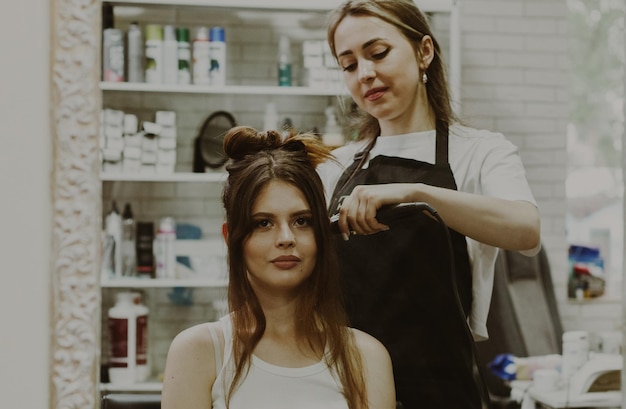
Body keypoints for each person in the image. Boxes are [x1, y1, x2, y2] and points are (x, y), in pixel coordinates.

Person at [317, 1, 542, 408]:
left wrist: (415, 193)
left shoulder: (481, 152)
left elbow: (525, 230)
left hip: (443, 390)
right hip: (347, 388)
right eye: (348, 65)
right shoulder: (335, 168)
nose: (365, 73)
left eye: (378, 53)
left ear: (424, 51)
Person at [161, 125, 396, 409]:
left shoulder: (366, 357)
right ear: (230, 238)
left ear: (321, 233)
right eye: (263, 223)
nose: (286, 238)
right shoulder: (199, 352)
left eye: (301, 221)